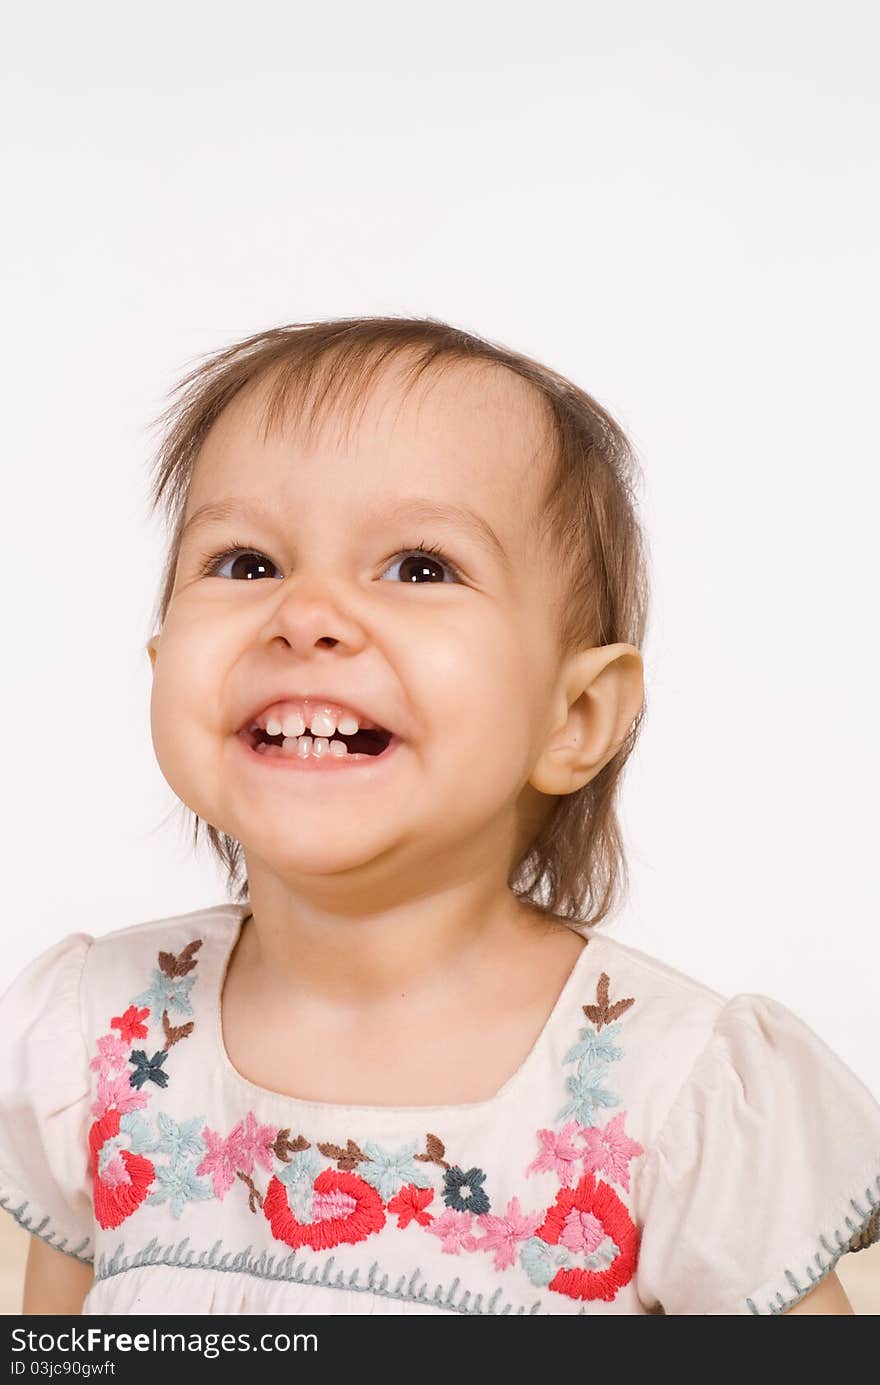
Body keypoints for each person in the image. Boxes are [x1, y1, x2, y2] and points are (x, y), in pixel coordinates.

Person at [2, 317, 878, 1318]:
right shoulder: (94, 1038)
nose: (304, 612)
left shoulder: (676, 1099)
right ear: (162, 669)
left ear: (574, 715)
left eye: (419, 566)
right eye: (246, 562)